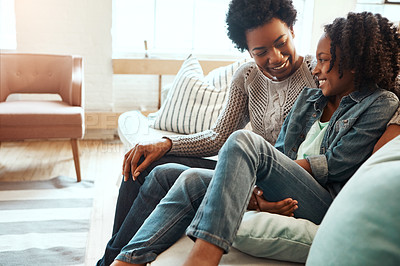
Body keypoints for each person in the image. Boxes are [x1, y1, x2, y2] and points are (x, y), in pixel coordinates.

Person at [109, 11, 400, 265]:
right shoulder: (307, 98)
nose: (315, 68)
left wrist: (258, 177)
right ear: (248, 51)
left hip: (320, 198)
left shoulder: (380, 102)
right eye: (260, 50)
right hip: (270, 176)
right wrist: (261, 190)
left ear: (353, 63)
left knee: (244, 141)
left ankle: (203, 257)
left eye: (324, 60)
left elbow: (336, 164)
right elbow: (267, 148)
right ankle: (122, 261)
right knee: (183, 178)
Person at [97, 1, 316, 264]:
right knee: (143, 163)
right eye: (260, 51)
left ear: (292, 29)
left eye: (281, 42)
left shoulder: (319, 73)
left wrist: (259, 190)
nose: (276, 57)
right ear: (247, 51)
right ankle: (110, 259)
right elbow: (218, 138)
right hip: (247, 172)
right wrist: (165, 144)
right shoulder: (247, 77)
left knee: (169, 175)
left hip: (281, 178)